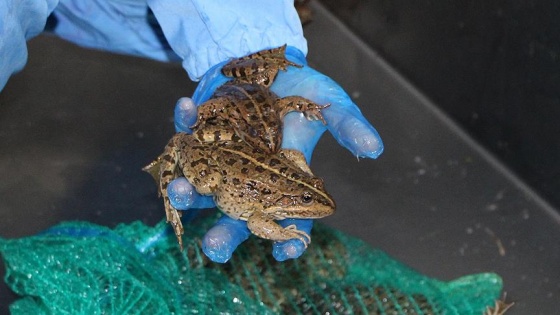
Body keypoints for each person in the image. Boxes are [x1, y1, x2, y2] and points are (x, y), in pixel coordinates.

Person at [1, 0, 383, 263]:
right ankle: (176, 153)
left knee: (199, 166)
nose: (315, 205)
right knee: (201, 180)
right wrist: (284, 233)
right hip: (234, 166)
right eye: (308, 200)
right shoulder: (272, 199)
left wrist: (240, 41)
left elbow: (290, 158)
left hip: (237, 138)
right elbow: (256, 220)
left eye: (310, 196)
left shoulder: (287, 170)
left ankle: (180, 152)